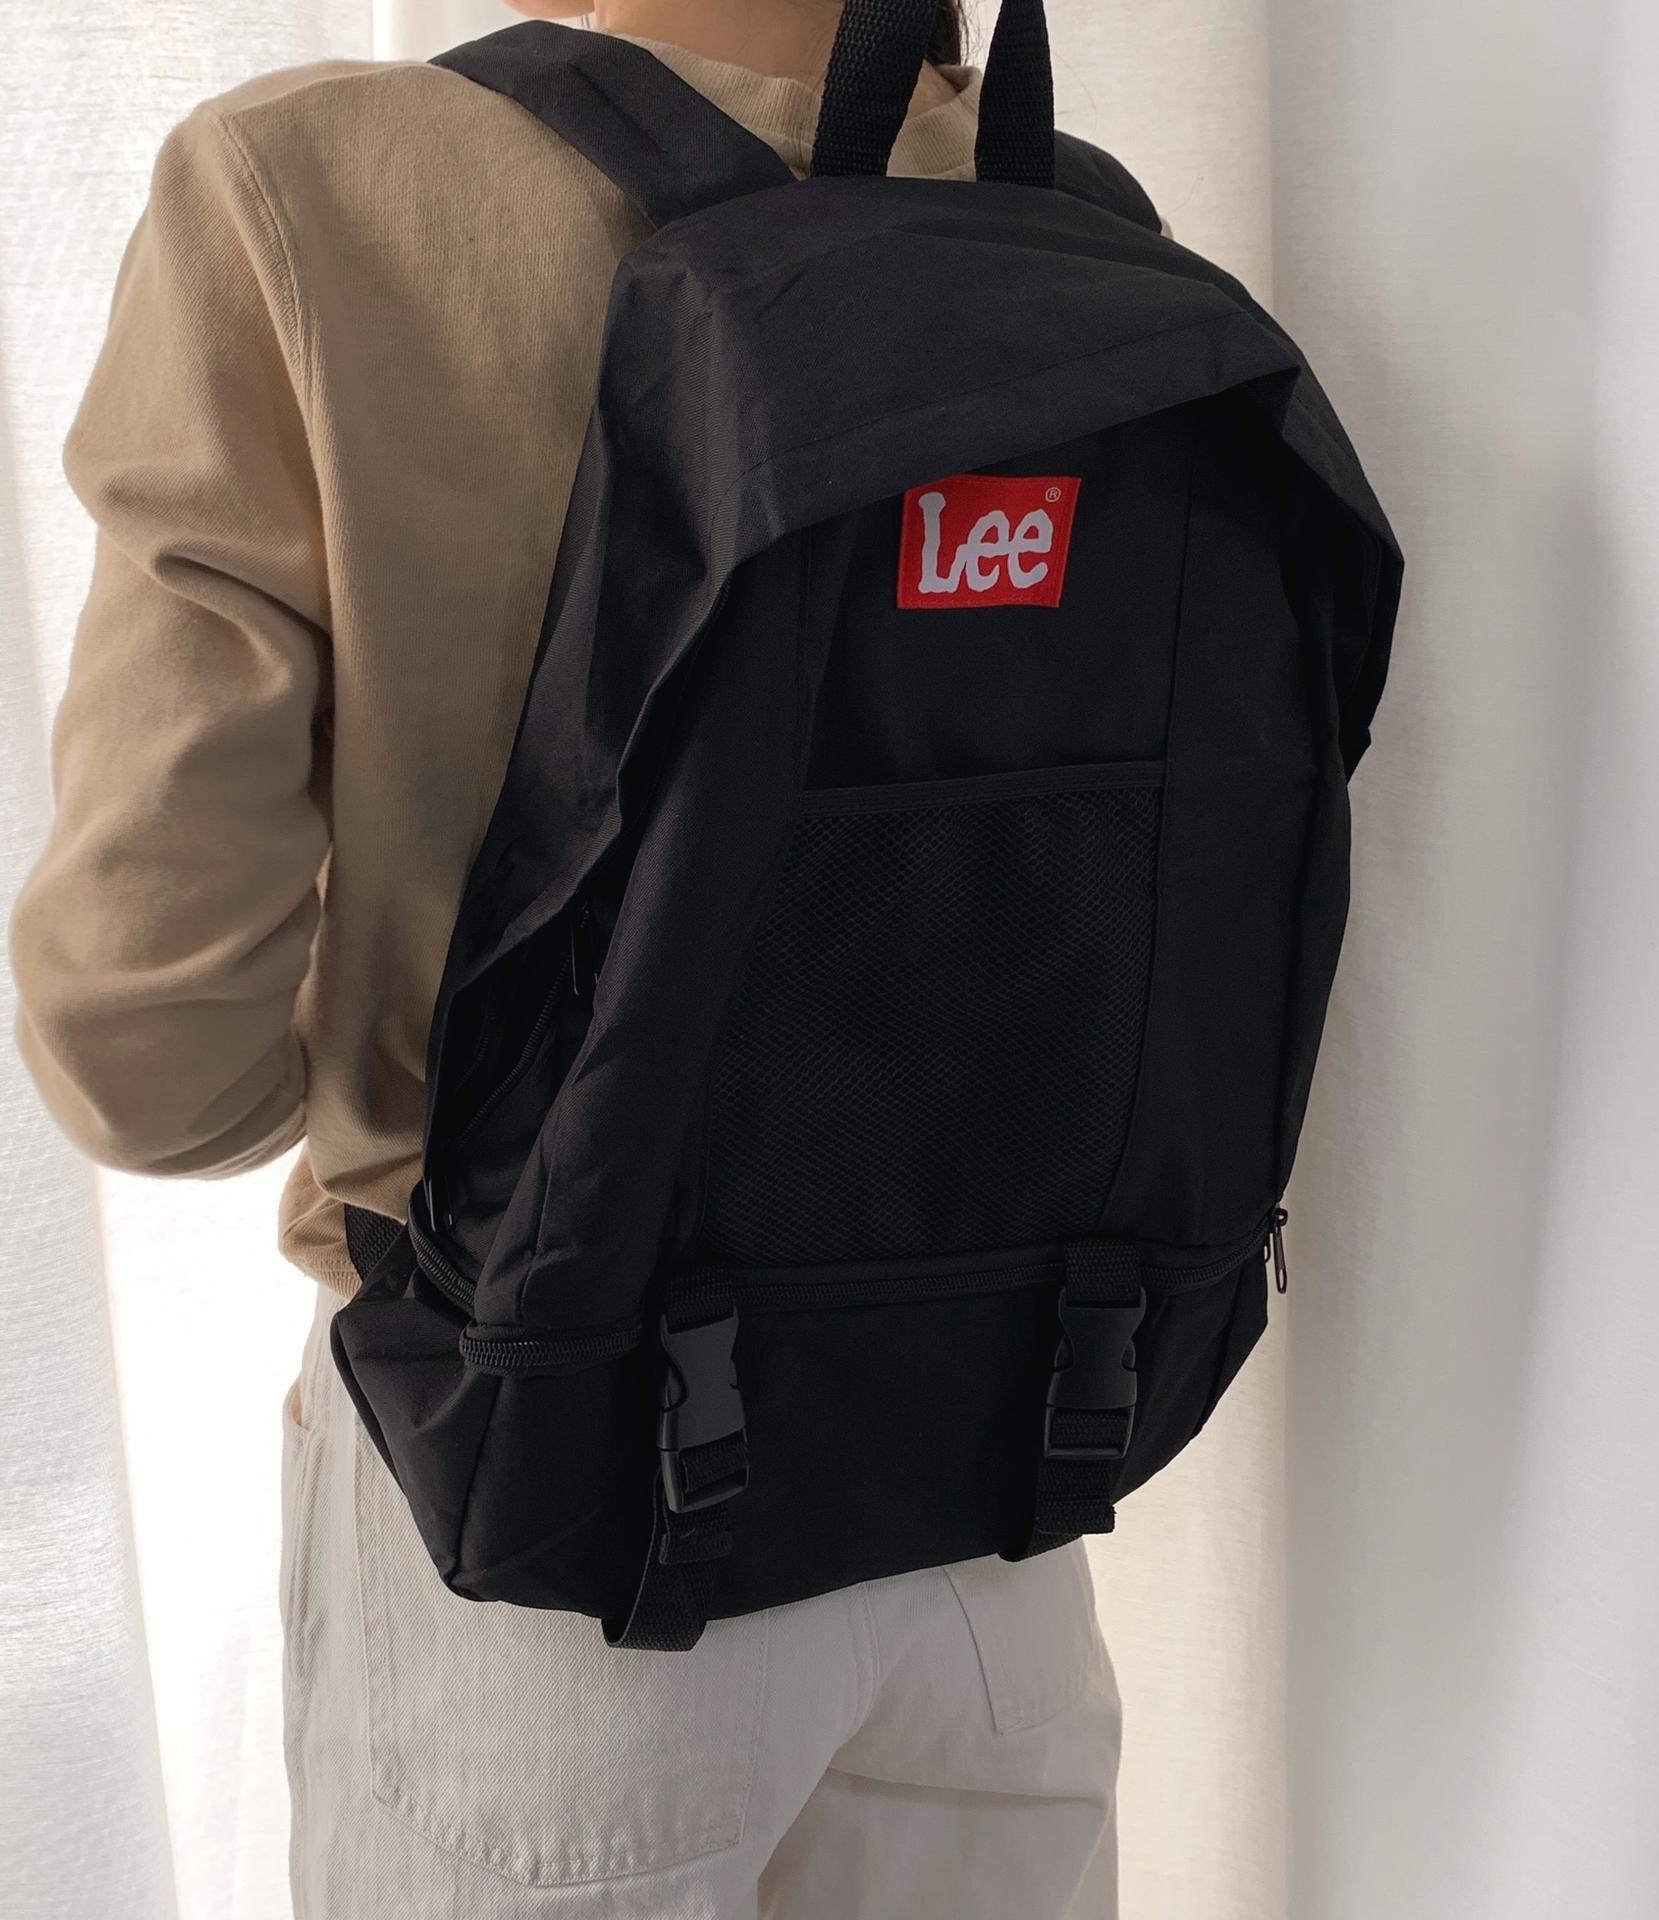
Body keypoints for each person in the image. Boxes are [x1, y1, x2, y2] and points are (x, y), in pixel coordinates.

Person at [8, 3, 1123, 1913]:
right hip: (999, 1508)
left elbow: (150, 1062)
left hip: (549, 1534)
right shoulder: (1074, 222)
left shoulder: (311, 192)